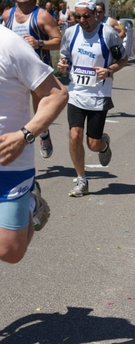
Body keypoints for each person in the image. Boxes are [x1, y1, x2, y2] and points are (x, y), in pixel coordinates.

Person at [0, 25, 68, 264]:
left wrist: (25, 136)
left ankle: (30, 204)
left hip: (8, 161)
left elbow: (57, 94)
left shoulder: (9, 44)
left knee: (10, 252)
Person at [57, 0, 128, 197]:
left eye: (85, 16)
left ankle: (103, 144)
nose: (81, 20)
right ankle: (82, 180)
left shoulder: (108, 34)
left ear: (95, 14)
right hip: (77, 94)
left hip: (99, 95)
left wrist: (109, 70)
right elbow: (65, 58)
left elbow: (123, 59)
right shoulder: (70, 33)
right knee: (74, 135)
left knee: (93, 144)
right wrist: (62, 65)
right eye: (77, 16)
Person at [2, 0, 62, 159]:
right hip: (13, 71)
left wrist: (39, 43)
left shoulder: (42, 15)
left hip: (36, 71)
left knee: (38, 110)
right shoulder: (7, 15)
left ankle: (43, 133)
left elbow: (58, 41)